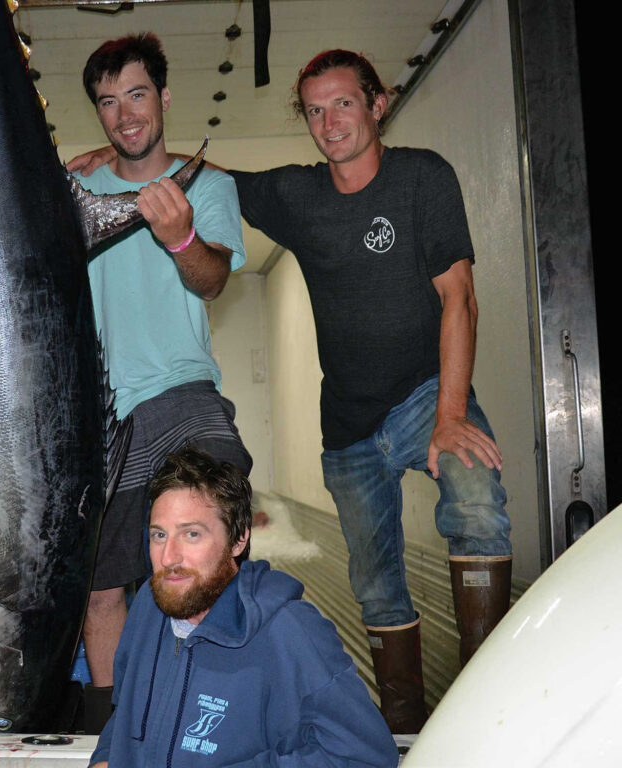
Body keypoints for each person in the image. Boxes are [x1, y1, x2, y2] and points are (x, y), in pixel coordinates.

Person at [70, 49, 513, 735]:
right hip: (348, 423)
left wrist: (451, 413)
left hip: (426, 393)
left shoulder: (422, 176)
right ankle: (402, 724)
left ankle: (491, 708)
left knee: (477, 495)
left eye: (343, 104)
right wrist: (122, 144)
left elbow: (461, 298)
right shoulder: (296, 194)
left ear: (378, 104)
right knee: (375, 583)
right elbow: (198, 171)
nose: (329, 122)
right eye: (314, 110)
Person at [74, 33, 252, 725]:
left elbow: (211, 279)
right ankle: (113, 730)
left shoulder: (208, 185)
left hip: (184, 398)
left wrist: (180, 237)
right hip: (102, 415)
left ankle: (219, 716)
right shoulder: (78, 188)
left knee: (208, 563)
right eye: (108, 102)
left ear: (164, 98)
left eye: (137, 94)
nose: (124, 115)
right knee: (98, 590)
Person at [89, 447, 399, 768]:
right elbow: (125, 715)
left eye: (191, 534)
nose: (168, 557)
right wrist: (105, 759)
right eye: (159, 535)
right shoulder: (148, 607)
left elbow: (366, 756)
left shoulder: (289, 631)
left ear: (238, 540)